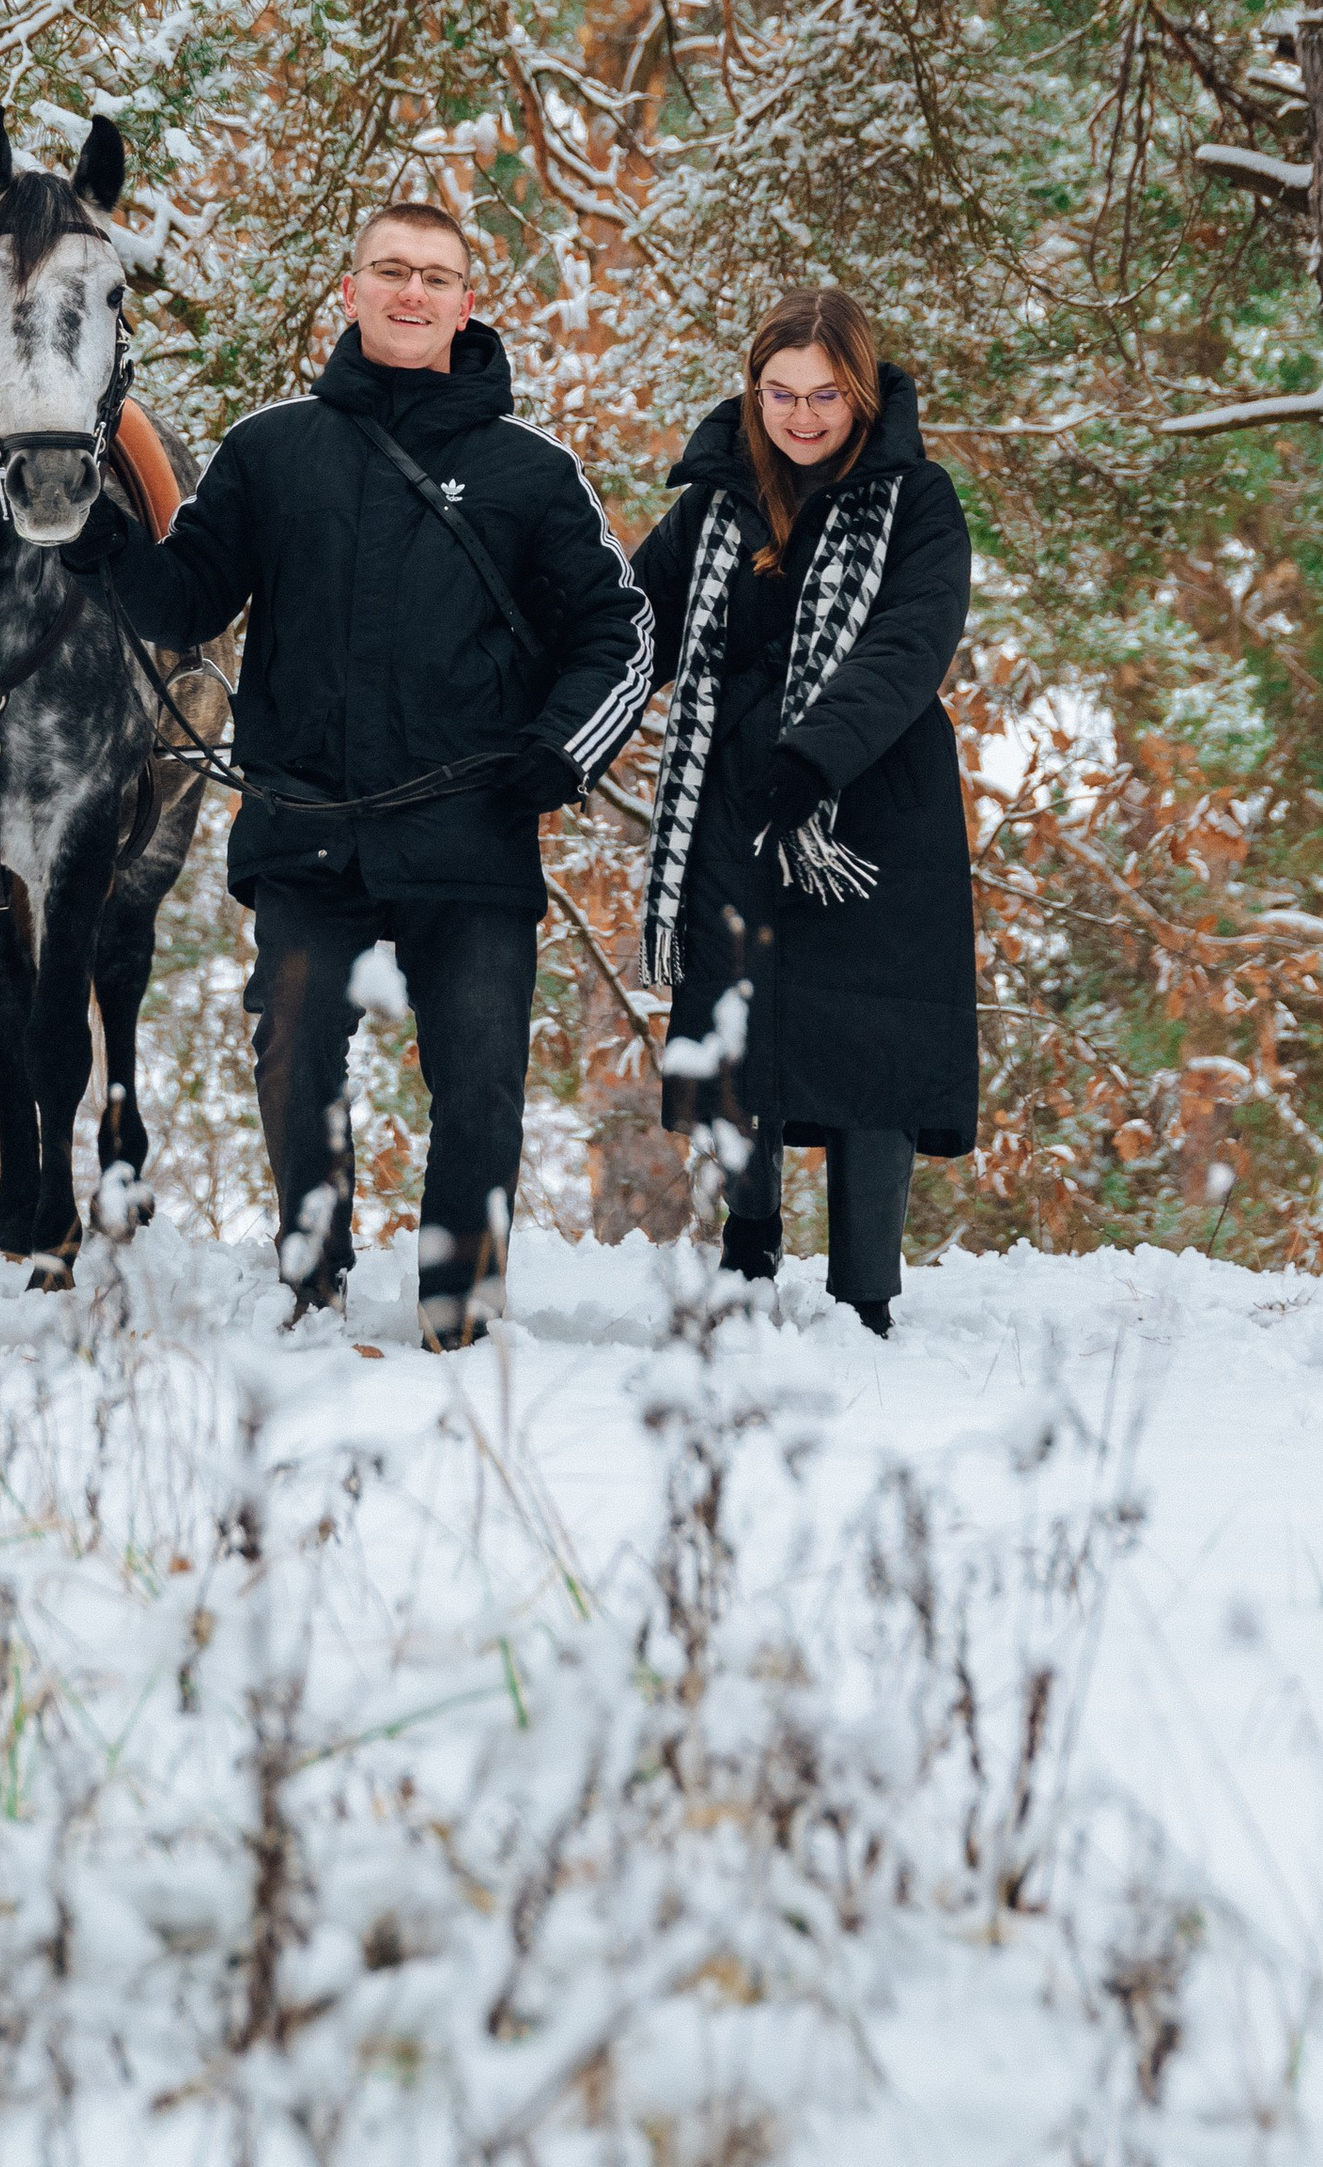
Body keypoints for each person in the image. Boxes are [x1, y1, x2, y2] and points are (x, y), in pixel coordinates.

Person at [81, 203, 651, 1342]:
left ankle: (458, 1303)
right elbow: (188, 596)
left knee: (481, 1080)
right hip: (309, 827)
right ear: (351, 289)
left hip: (474, 828)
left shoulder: (532, 470)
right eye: (390, 269)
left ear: (465, 303)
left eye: (435, 276)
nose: (411, 291)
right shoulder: (270, 447)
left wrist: (560, 749)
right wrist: (101, 545)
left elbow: (620, 632)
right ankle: (312, 1274)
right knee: (293, 1057)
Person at [630, 286, 975, 1335]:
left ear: (861, 389)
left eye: (826, 392)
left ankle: (865, 1289)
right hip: (736, 796)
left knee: (873, 1036)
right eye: (780, 391)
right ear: (755, 389)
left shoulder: (917, 497)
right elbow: (629, 622)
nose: (803, 414)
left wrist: (814, 757)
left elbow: (909, 642)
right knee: (747, 1025)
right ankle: (748, 1249)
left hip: (872, 802)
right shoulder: (713, 501)